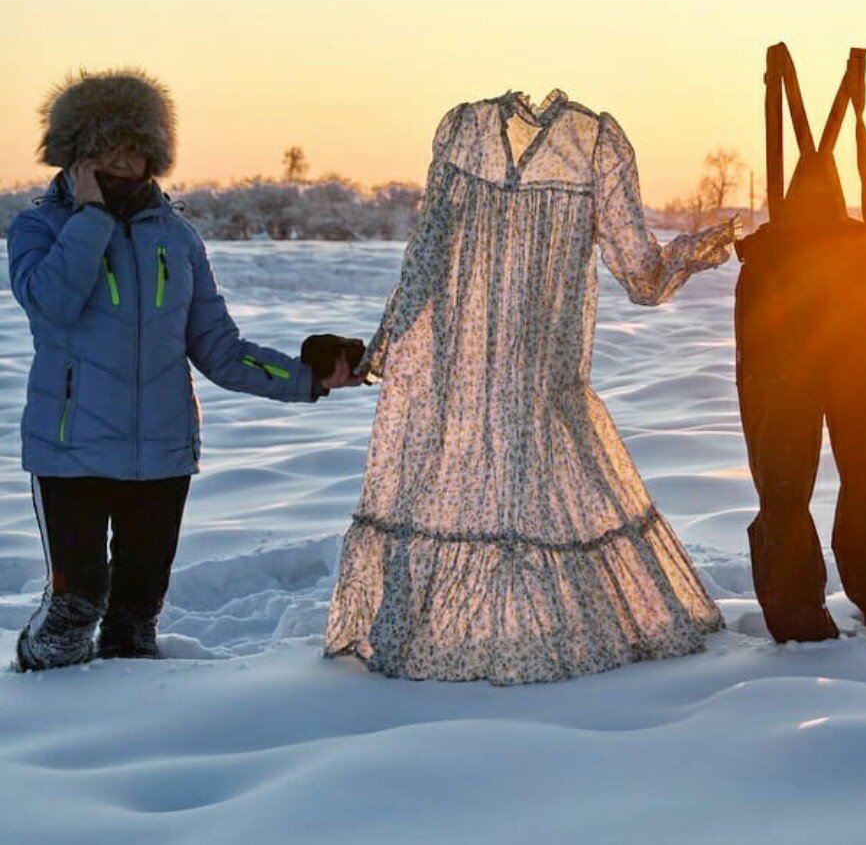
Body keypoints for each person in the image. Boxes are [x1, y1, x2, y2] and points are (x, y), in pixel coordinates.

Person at [325, 89, 738, 684]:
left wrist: (691, 254)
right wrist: (391, 341)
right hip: (461, 367)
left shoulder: (594, 143)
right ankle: (452, 632)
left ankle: (538, 633)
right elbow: (426, 252)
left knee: (550, 498)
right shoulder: (463, 131)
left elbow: (639, 273)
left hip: (545, 364)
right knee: (464, 491)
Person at [8, 69, 364, 672]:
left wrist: (308, 379)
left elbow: (220, 348)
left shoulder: (177, 237)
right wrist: (90, 219)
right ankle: (43, 703)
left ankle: (143, 733)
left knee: (135, 617)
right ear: (77, 156)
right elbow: (52, 301)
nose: (123, 159)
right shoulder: (38, 229)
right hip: (70, 453)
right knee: (75, 609)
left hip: (164, 453)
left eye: (134, 146)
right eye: (106, 146)